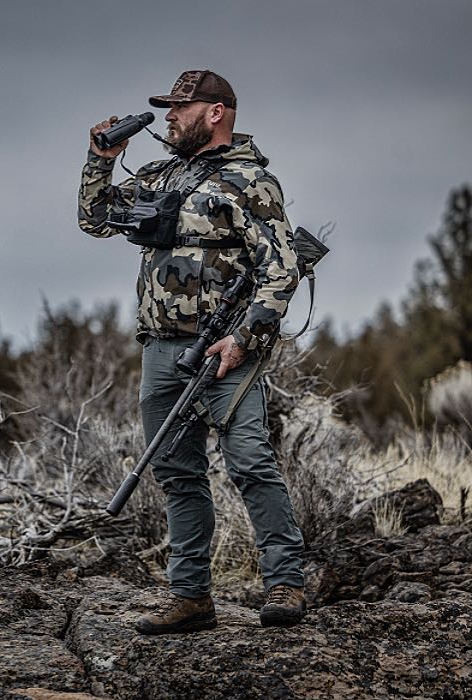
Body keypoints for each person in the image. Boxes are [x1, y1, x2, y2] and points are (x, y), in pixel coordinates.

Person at [78, 70, 306, 634]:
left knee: (250, 462)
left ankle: (284, 583)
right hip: (160, 349)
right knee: (177, 472)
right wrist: (100, 160)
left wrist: (244, 337)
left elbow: (281, 267)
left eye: (182, 107)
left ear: (216, 114)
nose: (170, 116)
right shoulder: (159, 174)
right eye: (168, 107)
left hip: (227, 350)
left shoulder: (251, 181)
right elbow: (94, 220)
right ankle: (190, 597)